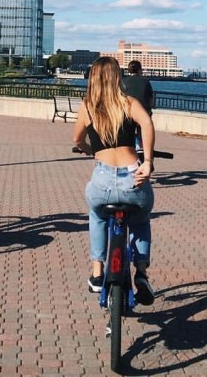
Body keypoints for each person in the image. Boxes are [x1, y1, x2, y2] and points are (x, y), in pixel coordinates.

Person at [73, 56, 156, 306]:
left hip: (102, 180)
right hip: (133, 177)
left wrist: (90, 150)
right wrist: (148, 161)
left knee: (97, 215)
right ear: (117, 78)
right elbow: (147, 124)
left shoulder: (88, 106)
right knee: (141, 220)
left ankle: (97, 273)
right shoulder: (128, 103)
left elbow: (77, 140)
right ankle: (140, 272)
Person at [122, 59, 155, 160]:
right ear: (140, 70)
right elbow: (150, 97)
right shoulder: (145, 81)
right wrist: (149, 109)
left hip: (128, 112)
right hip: (143, 111)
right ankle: (148, 157)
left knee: (126, 134)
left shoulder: (124, 81)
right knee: (145, 131)